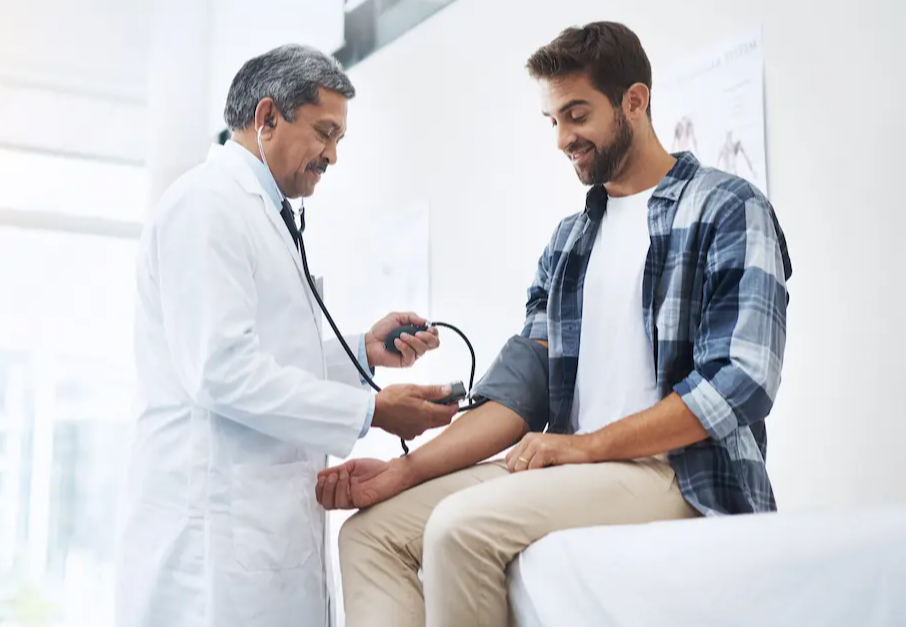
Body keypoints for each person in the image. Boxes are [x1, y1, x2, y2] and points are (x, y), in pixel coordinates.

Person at [317, 21, 793, 627]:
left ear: (635, 101)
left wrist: (586, 446)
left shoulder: (728, 208)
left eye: (577, 114)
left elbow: (740, 382)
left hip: (682, 472)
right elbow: (521, 393)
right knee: (370, 535)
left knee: (459, 530)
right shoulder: (570, 244)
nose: (564, 138)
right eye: (554, 121)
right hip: (579, 470)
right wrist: (399, 473)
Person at [114, 44, 459, 627]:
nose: (331, 155)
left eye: (339, 140)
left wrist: (361, 355)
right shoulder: (207, 206)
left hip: (259, 531)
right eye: (325, 133)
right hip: (212, 547)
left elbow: (266, 357)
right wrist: (372, 411)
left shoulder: (261, 211)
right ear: (267, 117)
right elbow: (222, 372)